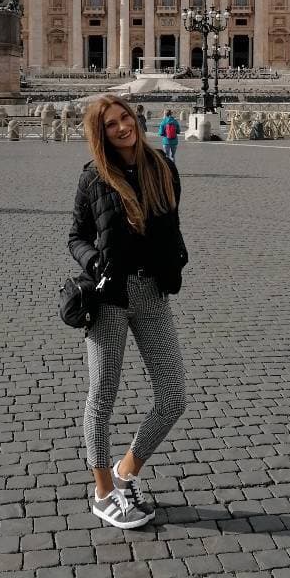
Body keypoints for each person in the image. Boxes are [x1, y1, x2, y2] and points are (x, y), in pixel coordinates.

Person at [68, 95, 188, 530]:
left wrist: (176, 258)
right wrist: (94, 263)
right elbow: (76, 236)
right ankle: (103, 493)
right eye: (111, 124)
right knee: (102, 396)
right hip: (111, 297)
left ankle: (126, 472)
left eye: (125, 118)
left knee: (174, 397)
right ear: (100, 135)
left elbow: (171, 224)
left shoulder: (164, 168)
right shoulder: (94, 178)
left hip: (153, 293)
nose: (122, 127)